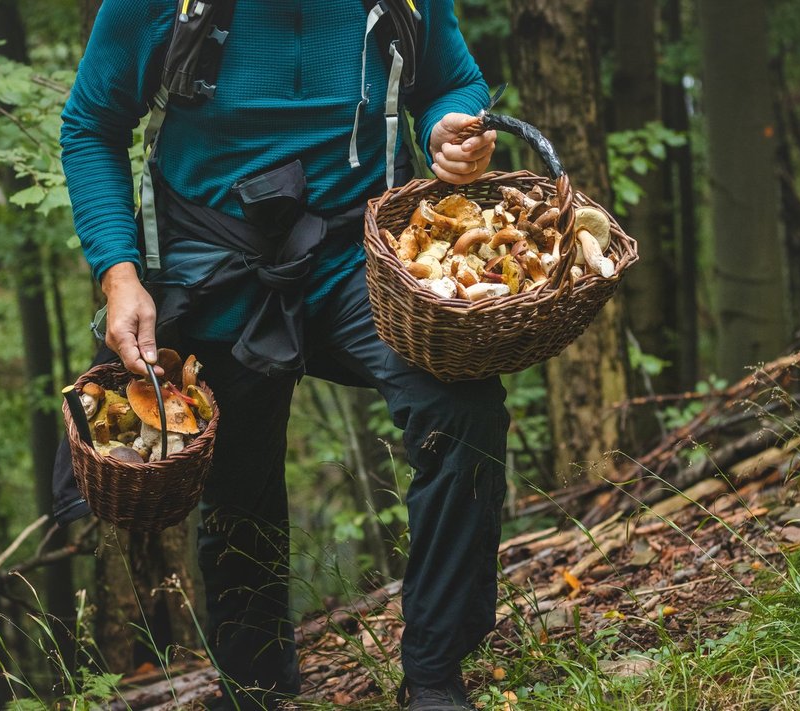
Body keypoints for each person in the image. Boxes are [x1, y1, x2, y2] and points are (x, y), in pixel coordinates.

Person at [57, 2, 505, 709]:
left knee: (462, 403)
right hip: (216, 257)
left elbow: (453, 83)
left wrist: (448, 128)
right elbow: (91, 125)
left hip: (360, 257)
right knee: (240, 493)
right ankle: (257, 692)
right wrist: (119, 274)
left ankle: (435, 672)